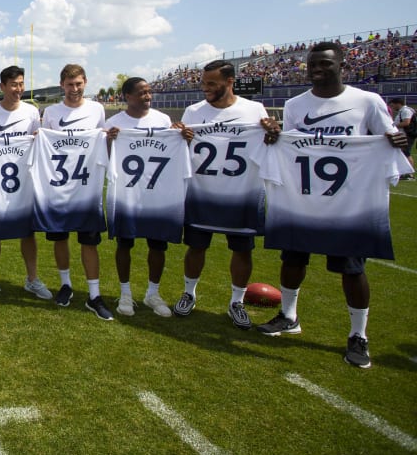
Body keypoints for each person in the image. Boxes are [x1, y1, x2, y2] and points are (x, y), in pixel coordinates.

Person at [258, 41, 409, 369]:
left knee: (352, 269)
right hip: (304, 199)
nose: (317, 69)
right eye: (313, 63)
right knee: (293, 258)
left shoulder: (367, 101)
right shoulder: (296, 104)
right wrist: (275, 135)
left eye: (325, 63)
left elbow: (389, 137)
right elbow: (293, 145)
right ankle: (288, 315)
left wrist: (399, 139)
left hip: (348, 202)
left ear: (342, 65)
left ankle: (358, 334)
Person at [173, 60, 272, 330]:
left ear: (230, 82)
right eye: (204, 83)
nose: (206, 88)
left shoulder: (253, 110)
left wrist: (272, 134)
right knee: (196, 246)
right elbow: (183, 146)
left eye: (212, 84)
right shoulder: (194, 111)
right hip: (202, 190)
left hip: (242, 191)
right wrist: (179, 136)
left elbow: (268, 143)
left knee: (242, 249)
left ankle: (236, 302)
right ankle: (189, 292)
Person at [39, 64, 112, 319]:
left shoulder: (96, 109)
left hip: (86, 187)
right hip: (58, 188)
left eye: (79, 83)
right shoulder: (51, 112)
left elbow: (102, 141)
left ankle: (94, 294)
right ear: (62, 85)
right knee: (60, 238)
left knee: (89, 241)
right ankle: (66, 284)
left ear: (85, 82)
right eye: (70, 84)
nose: (75, 89)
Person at [105, 77, 181, 318]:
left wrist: (182, 136)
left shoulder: (163, 120)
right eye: (142, 93)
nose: (148, 96)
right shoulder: (114, 122)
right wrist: (109, 141)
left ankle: (152, 293)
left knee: (158, 244)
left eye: (149, 92)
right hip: (127, 192)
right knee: (124, 243)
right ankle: (125, 292)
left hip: (157, 192)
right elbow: (107, 158)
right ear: (127, 96)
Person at [0, 65, 50, 301]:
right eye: (13, 84)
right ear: (2, 87)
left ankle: (32, 279)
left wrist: (39, 138)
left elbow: (39, 144)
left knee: (28, 233)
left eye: (21, 84)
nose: (18, 89)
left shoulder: (30, 112)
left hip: (25, 182)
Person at [387, 97, 414, 179]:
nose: (392, 108)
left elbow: (406, 122)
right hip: (403, 134)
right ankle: (404, 172)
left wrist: (393, 126)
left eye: (392, 105)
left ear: (398, 103)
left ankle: (409, 174)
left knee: (406, 153)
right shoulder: (402, 111)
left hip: (407, 135)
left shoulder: (406, 111)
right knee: (403, 153)